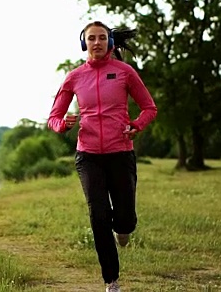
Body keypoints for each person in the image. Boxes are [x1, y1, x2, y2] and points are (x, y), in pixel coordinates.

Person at [47, 21, 157, 292]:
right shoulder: (74, 77)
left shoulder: (124, 72)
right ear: (84, 43)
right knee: (98, 216)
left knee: (125, 219)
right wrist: (63, 125)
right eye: (91, 38)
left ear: (109, 42)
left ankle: (124, 228)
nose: (97, 43)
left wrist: (136, 125)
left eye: (102, 38)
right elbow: (53, 117)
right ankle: (111, 281)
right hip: (88, 155)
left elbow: (149, 108)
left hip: (121, 153)